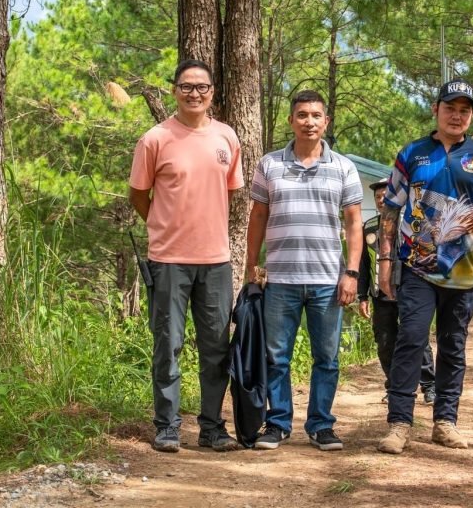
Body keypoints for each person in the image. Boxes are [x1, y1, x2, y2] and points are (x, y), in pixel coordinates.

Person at [376, 79, 473, 455]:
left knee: (454, 347)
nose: (457, 115)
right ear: (436, 109)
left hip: (465, 273)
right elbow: (390, 208)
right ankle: (400, 424)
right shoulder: (413, 153)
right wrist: (386, 262)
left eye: (465, 110)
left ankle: (445, 422)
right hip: (416, 268)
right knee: (410, 341)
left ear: (471, 116)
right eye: (451, 108)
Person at [129, 60, 243, 453]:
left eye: (202, 87)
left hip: (216, 261)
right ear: (174, 91)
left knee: (216, 348)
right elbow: (138, 195)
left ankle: (212, 428)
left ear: (212, 92)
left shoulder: (227, 138)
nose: (195, 93)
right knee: (169, 344)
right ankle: (168, 427)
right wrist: (164, 226)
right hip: (168, 259)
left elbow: (227, 191)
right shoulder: (155, 139)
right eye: (186, 86)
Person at [245, 90, 364, 452]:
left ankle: (321, 425)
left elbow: (354, 224)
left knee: (326, 358)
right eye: (301, 115)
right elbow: (258, 217)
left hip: (328, 281)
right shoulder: (269, 165)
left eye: (315, 115)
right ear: (290, 121)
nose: (308, 121)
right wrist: (252, 265)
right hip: (280, 280)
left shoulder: (343, 167)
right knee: (275, 356)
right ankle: (277, 423)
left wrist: (352, 273)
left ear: (326, 121)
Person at [356, 179, 436, 405]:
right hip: (379, 294)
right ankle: (394, 387)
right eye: (378, 197)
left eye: (385, 196)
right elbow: (363, 264)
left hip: (410, 291)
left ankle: (429, 385)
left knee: (416, 337)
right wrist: (362, 296)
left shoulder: (411, 224)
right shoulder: (369, 226)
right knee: (385, 341)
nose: (382, 200)